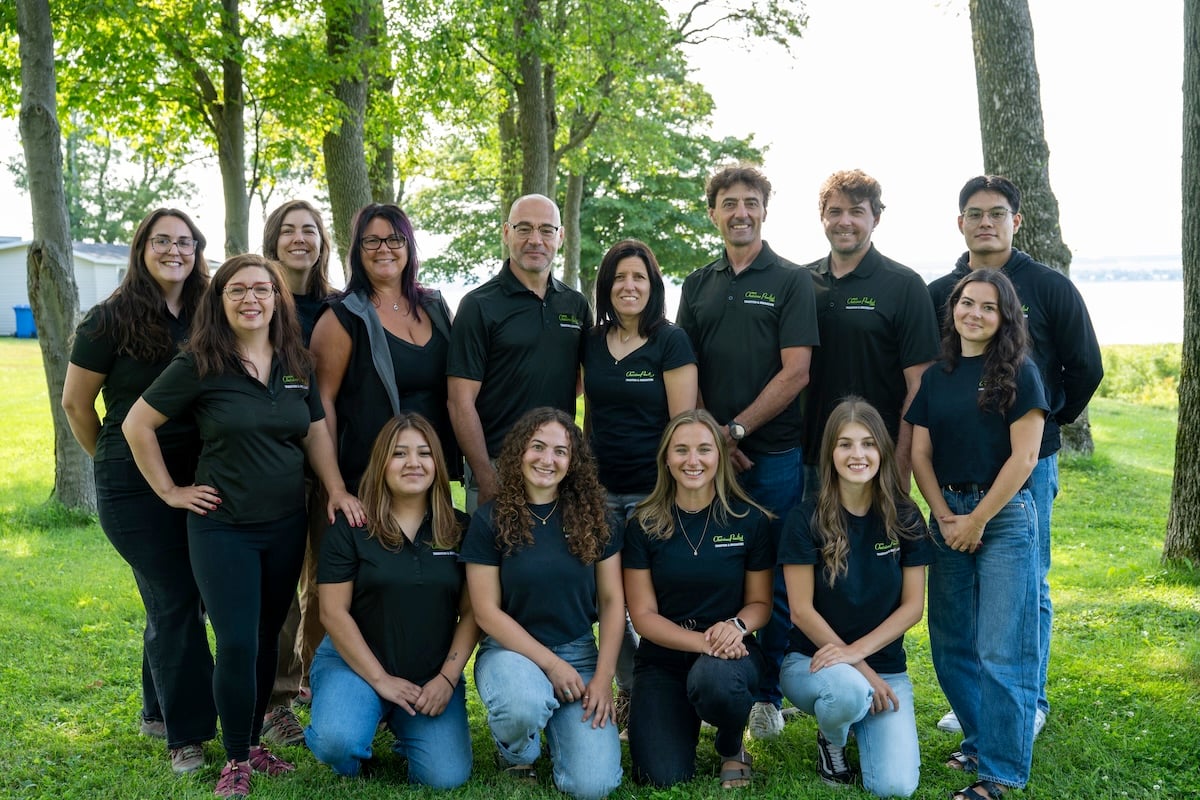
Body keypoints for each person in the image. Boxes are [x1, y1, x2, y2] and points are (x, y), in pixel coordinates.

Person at [123, 254, 364, 798]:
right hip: (222, 528)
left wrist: (337, 488)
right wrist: (170, 491)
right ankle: (235, 759)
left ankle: (253, 740)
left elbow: (315, 434)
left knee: (262, 639)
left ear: (278, 299)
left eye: (262, 289)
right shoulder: (200, 363)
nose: (251, 298)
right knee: (235, 641)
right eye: (238, 290)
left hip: (283, 526)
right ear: (221, 301)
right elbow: (138, 423)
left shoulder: (295, 363)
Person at [927, 176, 1103, 739]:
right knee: (969, 587)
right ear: (960, 223)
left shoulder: (1048, 288)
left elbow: (1086, 366)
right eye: (974, 213)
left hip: (1029, 464)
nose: (985, 222)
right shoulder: (943, 292)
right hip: (958, 470)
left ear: (1016, 221)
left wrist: (1047, 419)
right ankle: (977, 703)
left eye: (997, 213)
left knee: (1028, 584)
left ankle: (1030, 701)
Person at [61, 208, 216, 775]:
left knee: (179, 598)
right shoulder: (108, 320)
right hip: (133, 486)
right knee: (176, 600)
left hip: (198, 479)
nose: (174, 251)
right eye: (161, 241)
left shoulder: (208, 314)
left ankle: (156, 710)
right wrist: (109, 459)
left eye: (185, 242)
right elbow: (78, 405)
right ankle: (188, 736)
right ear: (141, 249)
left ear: (198, 250)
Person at [677, 164, 819, 739]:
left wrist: (734, 432)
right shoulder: (697, 283)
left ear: (765, 210)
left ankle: (765, 695)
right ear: (713, 212)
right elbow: (687, 366)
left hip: (774, 458)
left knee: (777, 578)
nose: (740, 212)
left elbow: (797, 372)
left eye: (751, 202)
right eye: (729, 202)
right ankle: (704, 679)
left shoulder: (790, 281)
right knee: (714, 569)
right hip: (710, 461)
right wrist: (712, 435)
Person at [906, 269, 1048, 800]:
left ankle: (1000, 773)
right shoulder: (937, 376)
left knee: (1001, 649)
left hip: (1004, 516)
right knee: (949, 643)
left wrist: (978, 519)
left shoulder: (1020, 372)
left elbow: (1025, 456)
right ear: (954, 308)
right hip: (948, 515)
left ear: (1004, 317)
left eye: (989, 308)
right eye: (968, 303)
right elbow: (919, 453)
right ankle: (982, 737)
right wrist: (944, 516)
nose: (975, 314)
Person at [305, 413, 477, 788]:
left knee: (445, 777)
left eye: (424, 453)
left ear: (438, 463)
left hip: (426, 675)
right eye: (400, 454)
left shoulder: (461, 530)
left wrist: (447, 680)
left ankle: (399, 722)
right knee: (339, 742)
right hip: (354, 666)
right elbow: (333, 613)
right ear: (381, 463)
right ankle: (355, 721)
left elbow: (472, 614)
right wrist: (381, 680)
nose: (413, 463)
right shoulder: (352, 527)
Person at [460, 408, 623, 800]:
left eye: (560, 451)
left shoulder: (597, 518)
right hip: (510, 653)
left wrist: (602, 680)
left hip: (579, 655)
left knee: (593, 786)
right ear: (519, 452)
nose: (547, 460)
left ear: (573, 461)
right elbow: (485, 611)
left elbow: (613, 600)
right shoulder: (490, 520)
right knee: (522, 704)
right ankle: (517, 751)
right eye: (537, 447)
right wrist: (550, 665)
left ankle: (558, 730)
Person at [779, 398, 932, 797]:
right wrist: (858, 667)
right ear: (830, 452)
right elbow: (801, 610)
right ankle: (832, 739)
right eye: (845, 444)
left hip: (886, 671)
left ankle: (857, 716)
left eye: (867, 443)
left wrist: (861, 660)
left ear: (881, 450)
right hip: (813, 663)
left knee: (895, 787)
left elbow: (913, 607)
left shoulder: (906, 517)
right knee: (848, 691)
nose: (857, 454)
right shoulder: (804, 519)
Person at [623, 410, 772, 789]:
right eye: (682, 450)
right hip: (664, 658)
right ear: (666, 458)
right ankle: (678, 718)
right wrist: (704, 643)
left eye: (704, 449)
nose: (693, 461)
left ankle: (731, 744)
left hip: (731, 656)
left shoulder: (747, 520)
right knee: (660, 776)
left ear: (720, 457)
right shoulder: (642, 523)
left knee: (715, 682)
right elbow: (642, 616)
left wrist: (735, 627)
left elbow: (760, 604)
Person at [582, 238, 698, 722]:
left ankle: (671, 689)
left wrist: (672, 495)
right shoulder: (590, 342)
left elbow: (684, 425)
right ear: (606, 286)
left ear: (653, 286)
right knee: (606, 596)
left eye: (640, 278)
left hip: (652, 495)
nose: (629, 286)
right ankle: (628, 685)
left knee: (648, 598)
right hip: (599, 492)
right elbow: (588, 418)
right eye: (620, 277)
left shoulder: (671, 341)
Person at [448, 194, 592, 512]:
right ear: (506, 233)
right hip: (497, 465)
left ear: (561, 236)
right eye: (524, 228)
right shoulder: (478, 305)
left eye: (546, 230)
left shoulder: (576, 305)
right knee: (492, 561)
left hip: (557, 464)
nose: (535, 240)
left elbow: (584, 380)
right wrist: (485, 475)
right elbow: (460, 402)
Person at [804, 170, 939, 492]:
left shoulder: (904, 285)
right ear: (822, 217)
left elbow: (919, 386)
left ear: (876, 218)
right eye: (835, 212)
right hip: (809, 457)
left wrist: (902, 462)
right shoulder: (801, 282)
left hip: (876, 455)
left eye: (856, 212)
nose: (844, 221)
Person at [259, 199, 336, 747]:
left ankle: (317, 678)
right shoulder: (255, 300)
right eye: (288, 231)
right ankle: (277, 700)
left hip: (332, 458)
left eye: (309, 231)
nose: (299, 239)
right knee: (281, 584)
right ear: (272, 241)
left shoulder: (337, 307)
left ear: (323, 242)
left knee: (328, 577)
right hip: (275, 463)